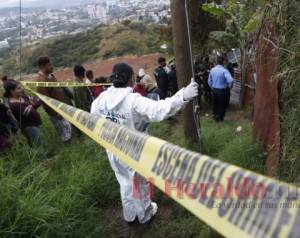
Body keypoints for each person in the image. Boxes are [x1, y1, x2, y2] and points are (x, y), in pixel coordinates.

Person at [91, 63, 199, 224]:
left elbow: (94, 121)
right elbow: (158, 110)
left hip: (113, 149)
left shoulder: (100, 101)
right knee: (139, 184)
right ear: (130, 79)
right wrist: (183, 95)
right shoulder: (132, 100)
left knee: (125, 183)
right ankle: (145, 215)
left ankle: (130, 215)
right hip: (134, 150)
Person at [36, 56, 72, 143]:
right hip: (56, 113)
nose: (52, 66)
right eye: (50, 65)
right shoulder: (41, 81)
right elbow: (45, 101)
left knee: (69, 130)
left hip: (63, 108)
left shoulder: (51, 76)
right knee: (65, 135)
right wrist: (56, 113)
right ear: (44, 66)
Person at [4, 79, 42, 147]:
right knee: (38, 145)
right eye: (18, 88)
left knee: (38, 142)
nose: (22, 89)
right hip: (30, 127)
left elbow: (36, 100)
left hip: (35, 124)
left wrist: (32, 105)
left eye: (21, 87)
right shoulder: (14, 104)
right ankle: (42, 157)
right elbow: (31, 112)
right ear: (11, 91)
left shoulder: (22, 97)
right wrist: (32, 105)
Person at [208, 55, 234, 122]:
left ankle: (215, 117)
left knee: (215, 104)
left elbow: (209, 81)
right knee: (222, 105)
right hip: (222, 91)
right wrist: (229, 87)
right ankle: (220, 119)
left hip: (214, 90)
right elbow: (230, 80)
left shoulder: (212, 70)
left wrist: (212, 87)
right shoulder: (224, 71)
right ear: (223, 62)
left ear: (216, 61)